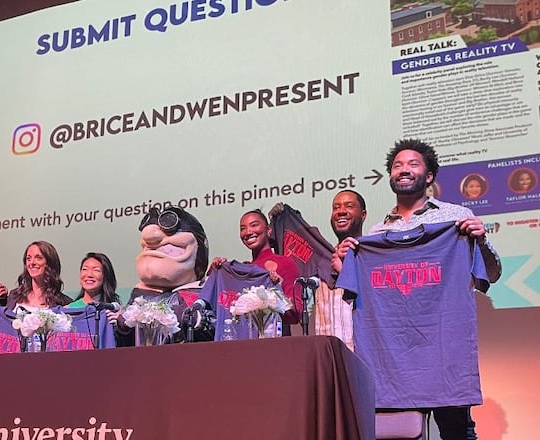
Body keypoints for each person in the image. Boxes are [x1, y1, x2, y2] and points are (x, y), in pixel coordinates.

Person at [337, 139, 502, 440]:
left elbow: (490, 275)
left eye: (412, 164)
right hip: (391, 357)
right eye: (397, 165)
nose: (403, 170)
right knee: (395, 435)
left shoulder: (456, 218)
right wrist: (349, 259)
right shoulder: (376, 234)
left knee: (457, 432)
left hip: (442, 351)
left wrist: (480, 241)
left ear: (428, 176)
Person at [117, 206, 214, 344]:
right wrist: (123, 326)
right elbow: (126, 339)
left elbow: (211, 330)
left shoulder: (202, 290)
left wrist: (198, 321)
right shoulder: (140, 294)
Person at [207, 209, 302, 328]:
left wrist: (275, 295)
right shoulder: (241, 270)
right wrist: (215, 271)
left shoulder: (284, 263)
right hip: (242, 341)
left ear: (268, 230)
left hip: (274, 340)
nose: (248, 232)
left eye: (254, 225)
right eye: (243, 228)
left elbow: (296, 313)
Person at [312, 189, 368, 351]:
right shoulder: (323, 262)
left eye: (349, 206)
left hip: (361, 355)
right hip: (327, 356)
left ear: (363, 215)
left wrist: (345, 271)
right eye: (336, 207)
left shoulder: (372, 258)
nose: (341, 211)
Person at [7, 241, 72, 309]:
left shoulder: (64, 303)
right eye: (28, 259)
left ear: (50, 263)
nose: (32, 263)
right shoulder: (14, 296)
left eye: (38, 258)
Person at [66, 252, 123, 323]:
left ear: (106, 276)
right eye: (85, 269)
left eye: (96, 270)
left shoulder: (115, 311)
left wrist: (121, 324)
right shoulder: (68, 310)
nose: (89, 274)